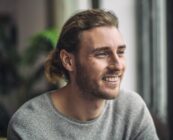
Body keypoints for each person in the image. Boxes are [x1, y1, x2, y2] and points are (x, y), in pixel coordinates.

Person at [7, 9, 159, 140]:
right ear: (68, 61)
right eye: (102, 54)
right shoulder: (29, 124)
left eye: (120, 52)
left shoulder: (131, 109)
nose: (118, 65)